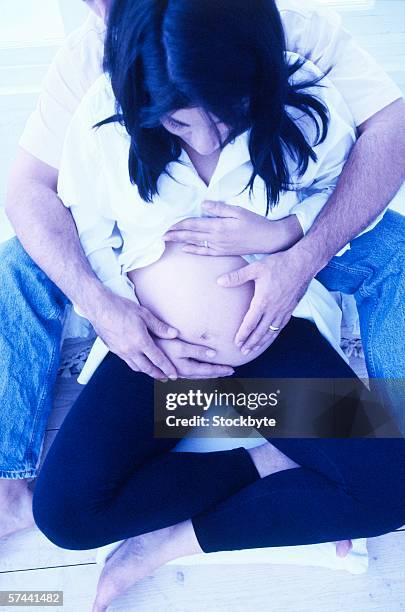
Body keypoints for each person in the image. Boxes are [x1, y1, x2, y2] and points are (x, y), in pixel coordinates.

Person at [29, 2, 405, 611]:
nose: (203, 139)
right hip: (163, 367)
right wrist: (118, 312)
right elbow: (90, 228)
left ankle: (174, 542)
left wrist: (291, 236)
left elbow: (343, 187)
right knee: (67, 514)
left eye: (224, 118)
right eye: (179, 124)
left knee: (390, 487)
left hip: (270, 343)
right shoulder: (104, 115)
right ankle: (264, 459)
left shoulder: (301, 98)